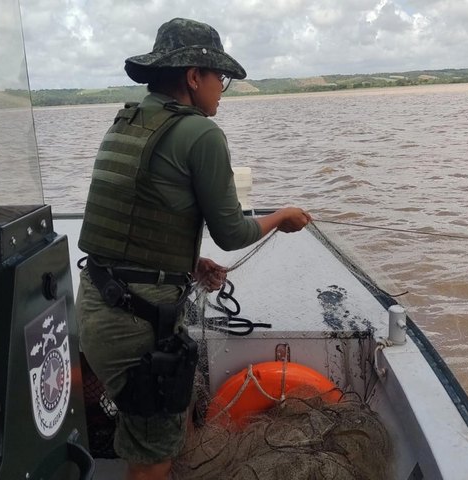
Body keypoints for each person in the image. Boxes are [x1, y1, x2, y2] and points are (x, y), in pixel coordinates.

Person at [76, 17, 312, 480]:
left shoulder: (130, 120)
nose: (222, 89)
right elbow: (233, 234)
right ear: (192, 77)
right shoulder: (201, 134)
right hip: (135, 320)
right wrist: (282, 217)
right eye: (218, 77)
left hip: (100, 301)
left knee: (164, 429)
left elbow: (136, 216)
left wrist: (188, 262)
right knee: (153, 457)